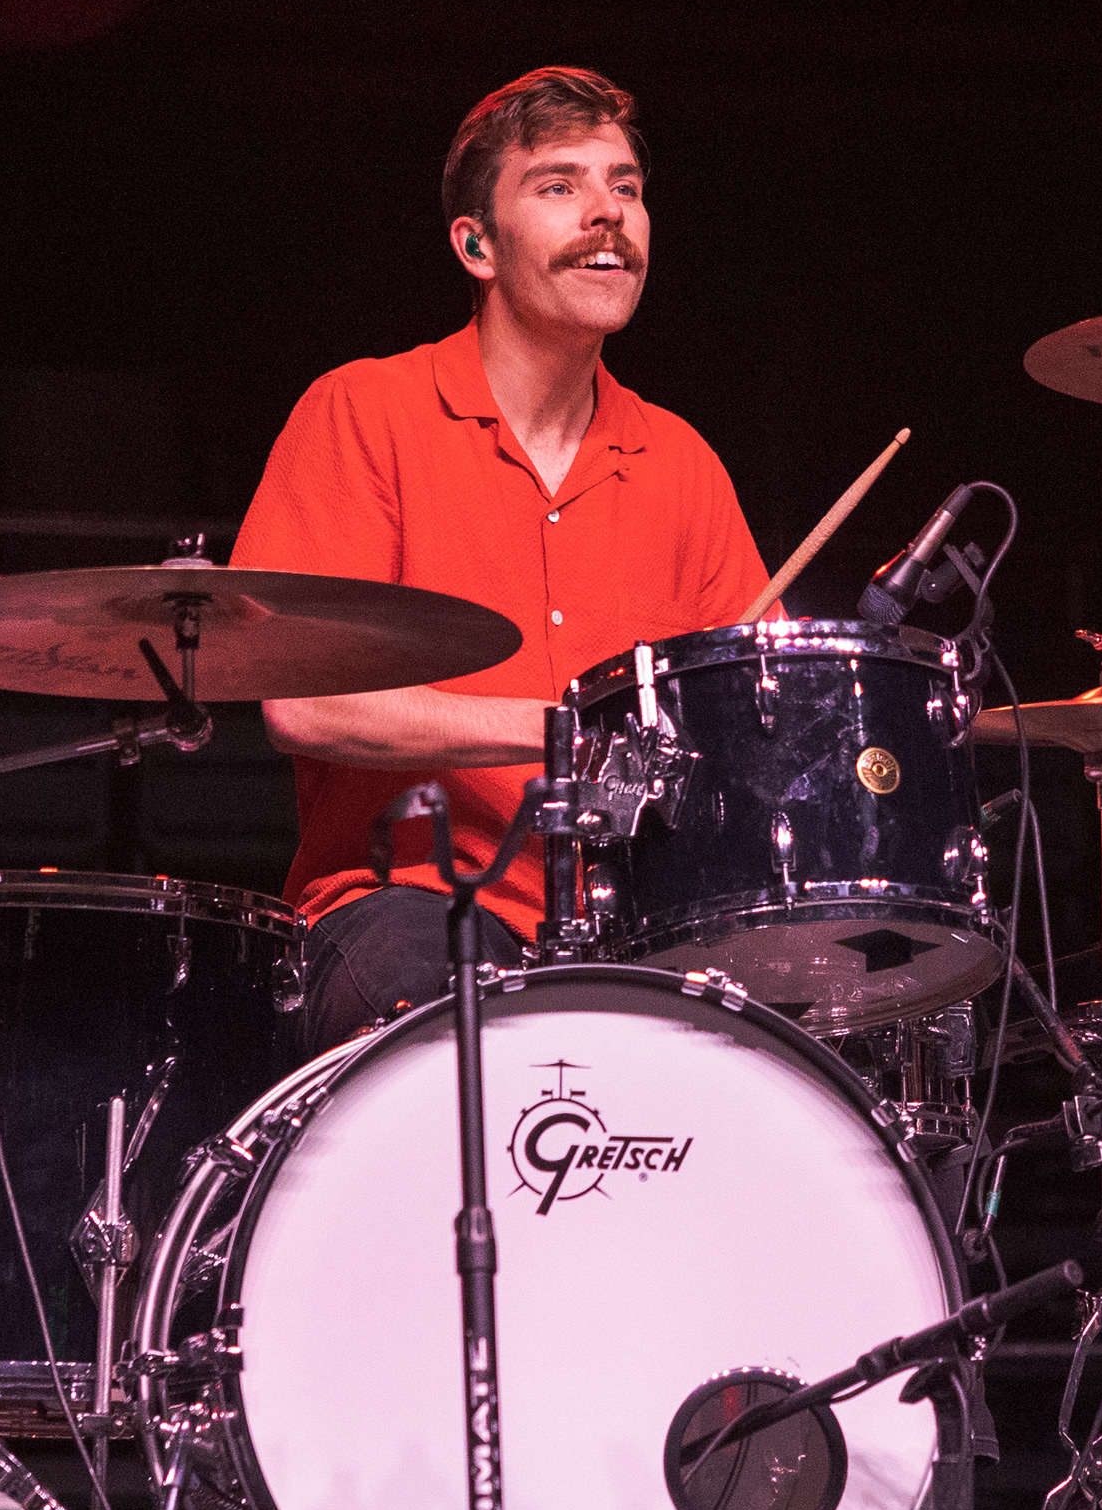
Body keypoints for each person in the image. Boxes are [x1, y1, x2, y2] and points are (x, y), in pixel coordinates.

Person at [231, 67, 769, 1046]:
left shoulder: (682, 462)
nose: (609, 212)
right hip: (399, 908)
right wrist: (565, 730)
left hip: (635, 929)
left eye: (628, 186)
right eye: (561, 186)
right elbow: (303, 702)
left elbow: (757, 729)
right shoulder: (362, 413)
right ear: (475, 243)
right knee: (471, 1019)